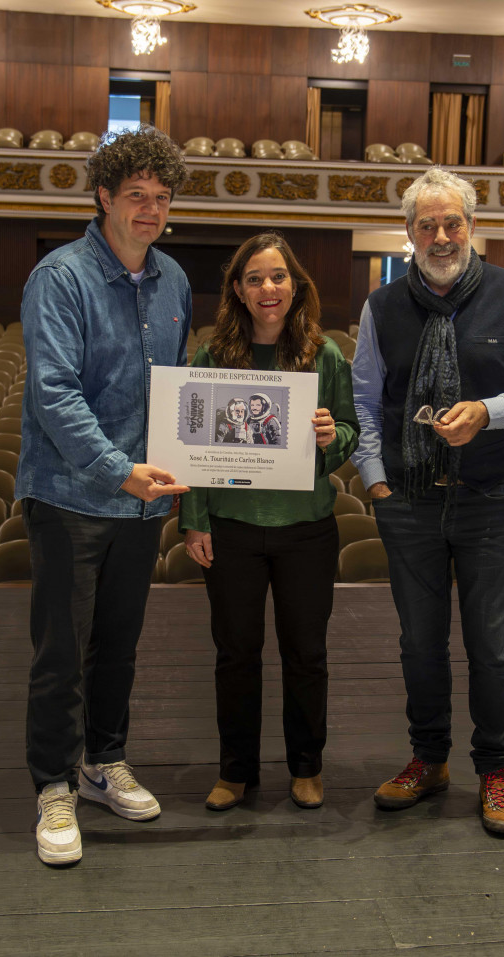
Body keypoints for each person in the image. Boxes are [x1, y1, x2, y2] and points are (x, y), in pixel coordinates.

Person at [351, 166, 504, 835]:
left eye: (452, 223)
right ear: (409, 232)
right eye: (426, 225)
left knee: (490, 646)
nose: (440, 236)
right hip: (408, 501)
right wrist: (375, 480)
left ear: (470, 225)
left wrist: (489, 410)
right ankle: (428, 758)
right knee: (418, 644)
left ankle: (495, 770)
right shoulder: (381, 306)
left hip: (489, 497)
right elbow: (364, 400)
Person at [15, 125, 192, 866]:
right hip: (70, 494)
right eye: (135, 197)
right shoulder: (59, 277)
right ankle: (52, 783)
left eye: (159, 198)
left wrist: (176, 472)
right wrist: (120, 468)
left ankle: (102, 761)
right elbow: (53, 395)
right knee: (62, 650)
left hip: (141, 502)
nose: (148, 211)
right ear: (103, 197)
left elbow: (180, 389)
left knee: (117, 647)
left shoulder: (174, 280)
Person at [180, 231, 359, 812]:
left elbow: (350, 433)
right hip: (230, 529)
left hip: (305, 528)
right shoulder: (211, 356)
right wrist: (195, 520)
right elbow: (193, 448)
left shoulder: (323, 354)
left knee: (306, 653)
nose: (267, 288)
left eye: (277, 276)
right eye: (254, 278)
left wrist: (333, 439)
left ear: (294, 285)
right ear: (237, 289)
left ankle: (307, 766)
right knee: (235, 654)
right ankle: (236, 770)